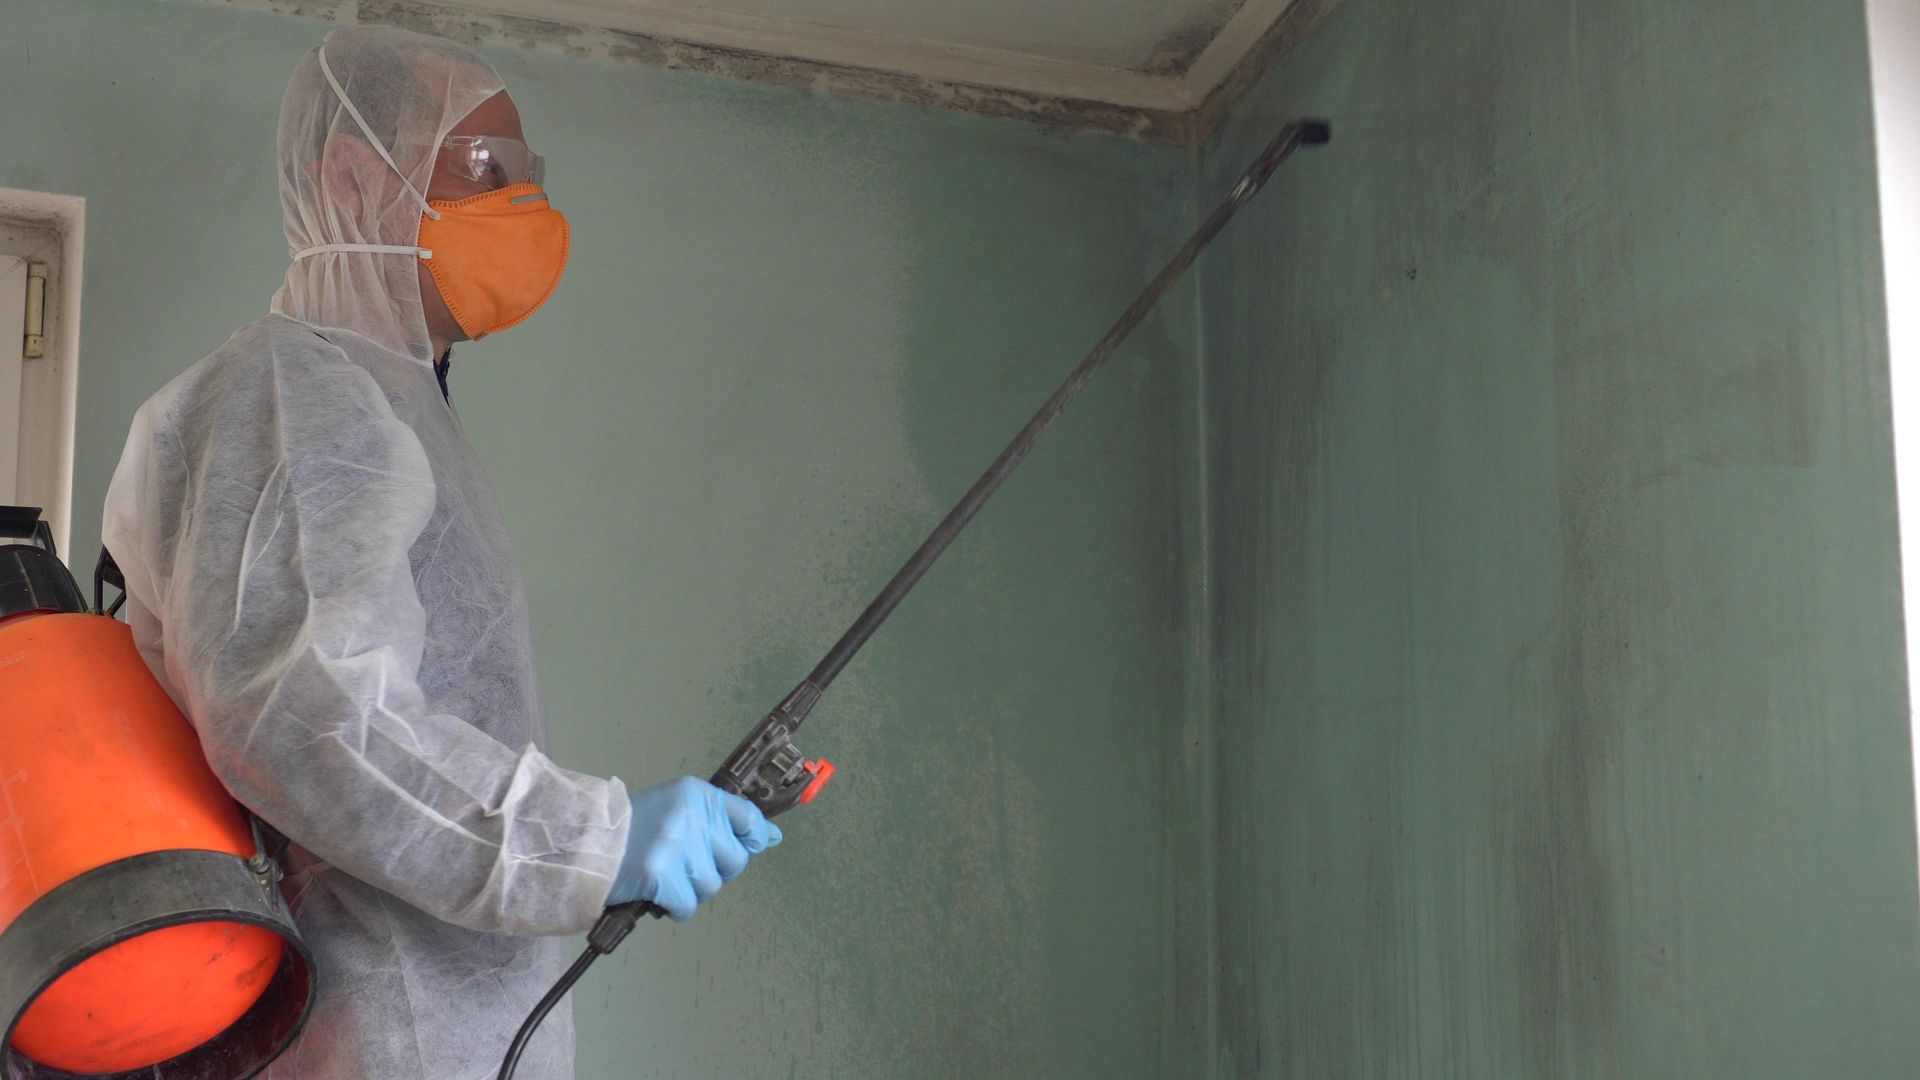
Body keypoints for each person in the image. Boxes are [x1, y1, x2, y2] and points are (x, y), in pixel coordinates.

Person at [100, 25, 778, 1079]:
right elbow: (302, 710)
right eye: (484, 171)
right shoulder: (301, 394)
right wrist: (588, 842)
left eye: (527, 178)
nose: (523, 207)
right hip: (370, 1036)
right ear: (356, 180)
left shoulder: (388, 408)